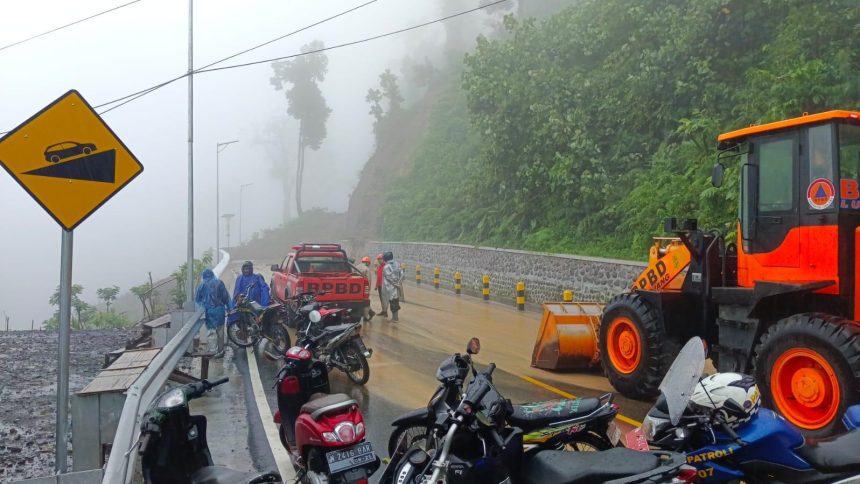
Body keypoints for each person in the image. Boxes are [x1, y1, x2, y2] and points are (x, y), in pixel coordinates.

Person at [195, 268, 231, 358]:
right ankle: (220, 350)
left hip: (209, 311)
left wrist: (200, 310)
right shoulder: (219, 283)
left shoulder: (202, 285)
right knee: (220, 331)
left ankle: (212, 351)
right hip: (219, 310)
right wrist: (230, 308)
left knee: (211, 332)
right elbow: (226, 297)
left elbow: (198, 300)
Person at [382, 251, 404, 322]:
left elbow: (389, 277)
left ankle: (395, 318)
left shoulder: (386, 267)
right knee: (395, 301)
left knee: (393, 302)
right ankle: (395, 317)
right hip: (397, 286)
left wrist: (395, 284)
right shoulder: (397, 264)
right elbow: (402, 273)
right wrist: (398, 283)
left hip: (390, 287)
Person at [356, 256, 376, 322]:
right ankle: (366, 316)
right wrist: (368, 290)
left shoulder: (356, 267)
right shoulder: (367, 269)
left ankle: (370, 313)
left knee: (358, 301)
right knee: (365, 302)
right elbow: (369, 280)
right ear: (367, 263)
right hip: (364, 288)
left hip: (356, 288)